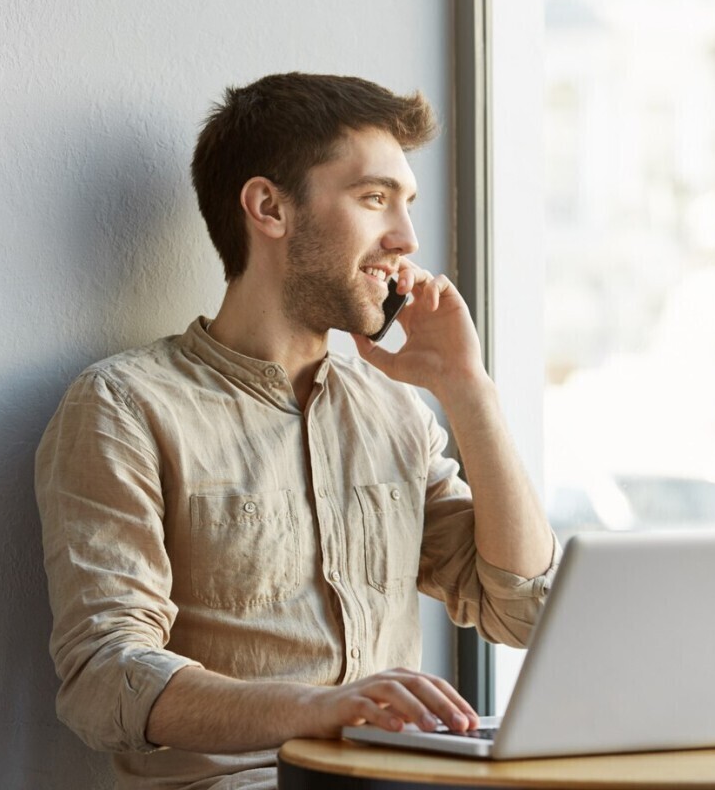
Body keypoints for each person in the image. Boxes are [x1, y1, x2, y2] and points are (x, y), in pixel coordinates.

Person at [34, 72, 559, 790]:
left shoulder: (395, 413)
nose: (405, 238)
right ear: (269, 207)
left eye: (406, 205)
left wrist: (471, 393)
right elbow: (106, 678)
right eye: (375, 199)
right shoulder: (124, 408)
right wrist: (318, 709)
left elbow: (522, 609)